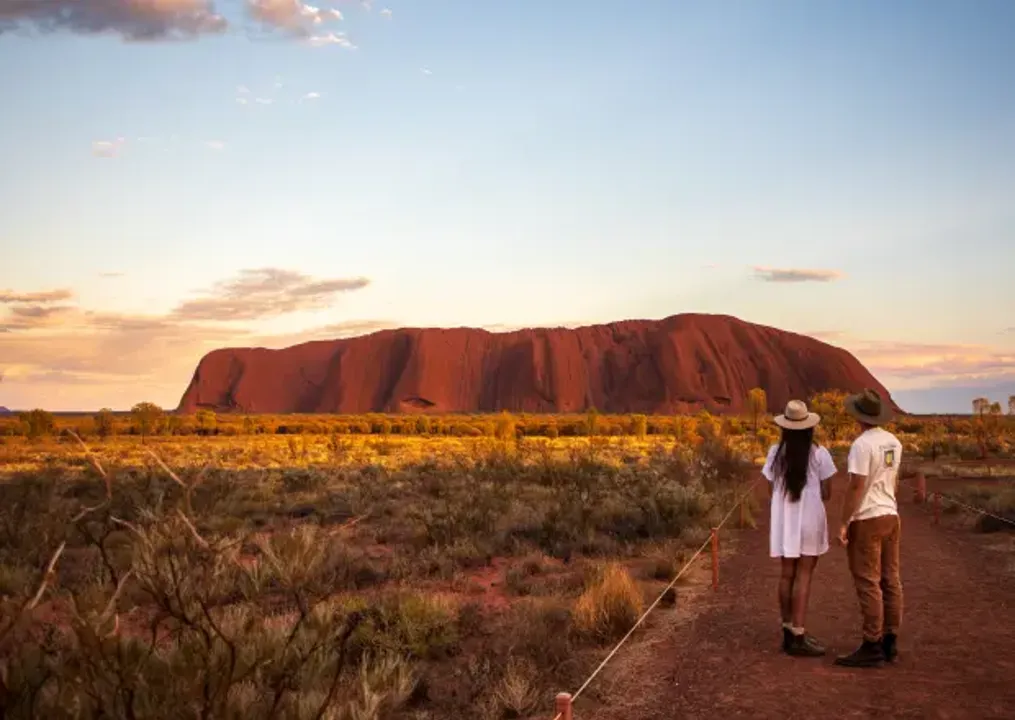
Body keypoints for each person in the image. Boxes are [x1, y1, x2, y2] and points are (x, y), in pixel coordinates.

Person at [834, 388, 904, 668]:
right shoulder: (894, 442)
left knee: (868, 580)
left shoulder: (862, 445)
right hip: (891, 514)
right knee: (891, 578)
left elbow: (856, 485)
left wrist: (844, 521)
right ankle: (891, 641)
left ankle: (872, 643)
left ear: (858, 417)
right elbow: (894, 480)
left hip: (868, 518)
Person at [762, 399, 837, 657]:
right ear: (808, 427)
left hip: (784, 519)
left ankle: (786, 630)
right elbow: (828, 492)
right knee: (804, 575)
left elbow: (770, 487)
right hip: (810, 518)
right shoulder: (819, 453)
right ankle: (799, 634)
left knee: (786, 574)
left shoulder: (775, 452)